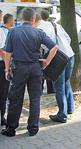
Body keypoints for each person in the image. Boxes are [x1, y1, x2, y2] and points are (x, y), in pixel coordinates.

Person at [1, 8, 58, 137]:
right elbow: (54, 47)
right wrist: (47, 61)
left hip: (19, 69)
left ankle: (11, 129)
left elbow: (7, 53)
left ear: (22, 19)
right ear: (33, 19)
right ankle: (33, 128)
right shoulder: (39, 32)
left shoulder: (13, 32)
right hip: (35, 68)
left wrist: (6, 69)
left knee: (15, 99)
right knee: (35, 98)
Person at [0, 14, 14, 127]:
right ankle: (2, 118)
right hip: (1, 64)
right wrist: (7, 66)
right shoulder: (1, 32)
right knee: (3, 92)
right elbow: (2, 51)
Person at [37, 10, 55, 94]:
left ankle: (40, 89)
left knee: (41, 69)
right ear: (48, 17)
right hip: (51, 51)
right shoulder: (52, 25)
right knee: (50, 70)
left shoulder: (39, 26)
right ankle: (50, 89)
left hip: (41, 50)